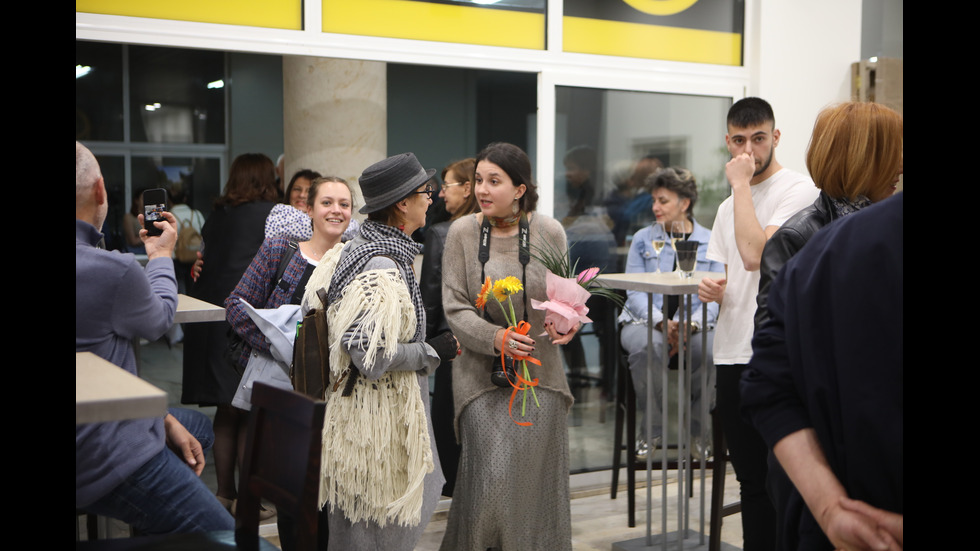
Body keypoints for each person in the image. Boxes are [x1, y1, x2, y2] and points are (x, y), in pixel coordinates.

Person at [748, 101, 903, 550]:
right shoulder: (801, 239)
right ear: (864, 158)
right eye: (890, 152)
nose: (898, 165)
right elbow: (775, 361)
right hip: (822, 457)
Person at [75, 141, 233, 534]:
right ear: (99, 192)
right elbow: (159, 319)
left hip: (96, 430)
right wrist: (161, 254)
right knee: (227, 538)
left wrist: (159, 417)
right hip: (103, 454)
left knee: (194, 428)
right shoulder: (111, 269)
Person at [304, 152, 455, 550]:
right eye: (425, 191)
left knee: (362, 530)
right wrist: (431, 350)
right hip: (377, 431)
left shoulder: (360, 246)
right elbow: (368, 356)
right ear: (402, 204)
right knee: (379, 531)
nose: (432, 197)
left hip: (358, 423)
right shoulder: (382, 266)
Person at [440, 142, 578, 551]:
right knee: (490, 487)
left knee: (533, 489)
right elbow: (454, 307)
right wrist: (497, 337)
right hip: (481, 381)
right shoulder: (462, 233)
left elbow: (564, 299)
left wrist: (566, 324)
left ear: (520, 189)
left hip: (541, 378)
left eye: (494, 181)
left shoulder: (549, 231)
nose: (482, 190)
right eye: (479, 180)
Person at [697, 97, 819, 551]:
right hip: (730, 350)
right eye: (740, 141)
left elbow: (756, 255)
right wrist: (714, 288)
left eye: (759, 139)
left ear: (776, 137)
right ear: (728, 142)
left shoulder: (799, 191)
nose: (749, 150)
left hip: (775, 352)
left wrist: (742, 186)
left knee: (781, 480)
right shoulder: (730, 204)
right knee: (749, 480)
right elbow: (733, 273)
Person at [226, 175, 353, 549]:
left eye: (343, 204)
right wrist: (282, 346)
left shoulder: (355, 259)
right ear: (309, 209)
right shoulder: (280, 251)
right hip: (285, 393)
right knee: (292, 498)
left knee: (332, 499)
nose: (336, 210)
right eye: (327, 202)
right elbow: (235, 307)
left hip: (338, 400)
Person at [181, 152, 280, 516]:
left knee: (226, 410)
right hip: (243, 324)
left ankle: (225, 494)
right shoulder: (272, 214)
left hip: (209, 320)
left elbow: (202, 260)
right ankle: (251, 502)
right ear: (267, 178)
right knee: (250, 410)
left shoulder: (217, 216)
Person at [755, 101, 903, 329]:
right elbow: (775, 339)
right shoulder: (795, 239)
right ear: (858, 160)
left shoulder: (890, 228)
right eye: (890, 155)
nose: (900, 166)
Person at [620, 167, 723, 460]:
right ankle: (651, 429)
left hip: (697, 323)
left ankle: (698, 429)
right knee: (646, 347)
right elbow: (635, 290)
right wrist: (660, 323)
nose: (655, 207)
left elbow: (715, 294)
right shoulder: (643, 238)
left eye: (663, 201)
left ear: (685, 203)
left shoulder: (711, 240)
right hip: (644, 321)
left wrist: (688, 325)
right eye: (654, 200)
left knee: (712, 351)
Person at [421, 157, 479, 497]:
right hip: (487, 339)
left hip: (451, 340)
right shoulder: (492, 232)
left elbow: (430, 293)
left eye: (447, 185)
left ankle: (452, 489)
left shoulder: (441, 233)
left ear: (467, 188)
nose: (441, 194)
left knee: (445, 420)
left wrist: (424, 346)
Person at [264, 169, 322, 242]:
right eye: (297, 189)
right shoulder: (279, 213)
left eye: (309, 191)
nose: (302, 195)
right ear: (289, 192)